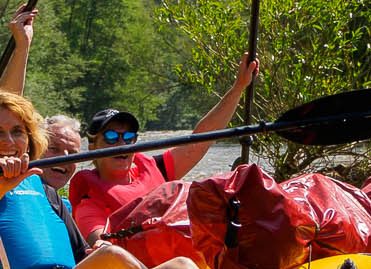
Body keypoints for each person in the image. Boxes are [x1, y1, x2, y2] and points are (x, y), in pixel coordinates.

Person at [0, 7, 203, 269]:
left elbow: (81, 255)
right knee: (113, 258)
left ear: (29, 141)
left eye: (18, 132)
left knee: (181, 267)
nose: (9, 142)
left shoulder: (48, 194)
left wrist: (94, 250)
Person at [65, 53, 258, 248]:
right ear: (92, 147)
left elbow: (201, 140)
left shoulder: (154, 168)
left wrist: (239, 87)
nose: (121, 144)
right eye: (111, 138)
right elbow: (101, 244)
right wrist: (101, 243)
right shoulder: (89, 200)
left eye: (128, 137)